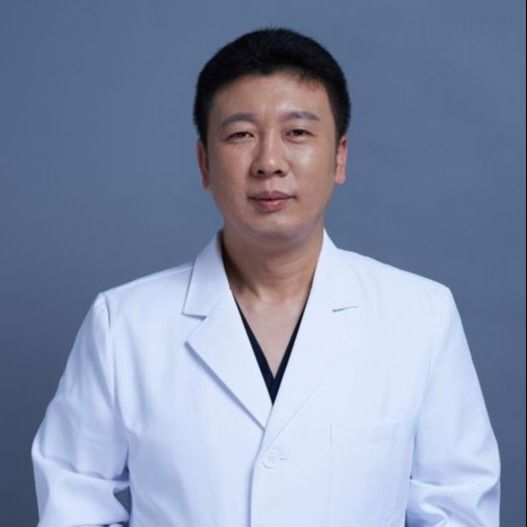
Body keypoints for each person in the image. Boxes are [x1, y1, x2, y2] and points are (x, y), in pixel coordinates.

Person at [31, 27, 500, 526]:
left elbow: (458, 511)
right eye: (241, 135)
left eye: (297, 133)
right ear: (204, 163)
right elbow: (72, 508)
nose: (269, 163)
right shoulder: (123, 325)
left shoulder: (420, 317)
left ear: (339, 156)